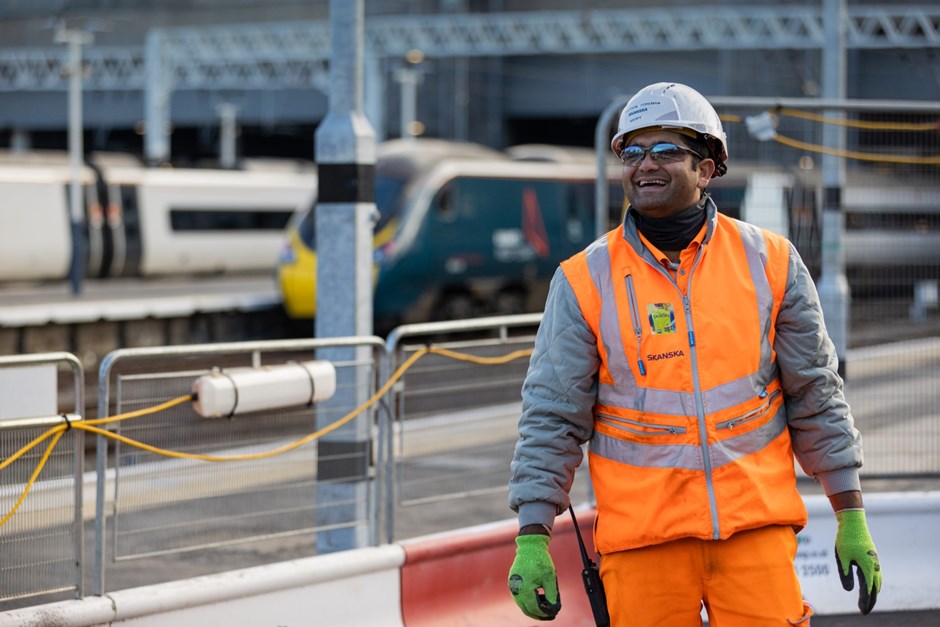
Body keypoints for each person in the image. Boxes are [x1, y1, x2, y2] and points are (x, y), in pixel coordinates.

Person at [507, 82, 882, 626]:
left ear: (707, 169)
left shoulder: (771, 261)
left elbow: (816, 394)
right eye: (632, 152)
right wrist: (533, 534)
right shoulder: (583, 279)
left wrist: (850, 512)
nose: (645, 165)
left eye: (665, 151)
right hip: (643, 544)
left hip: (754, 534)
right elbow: (551, 415)